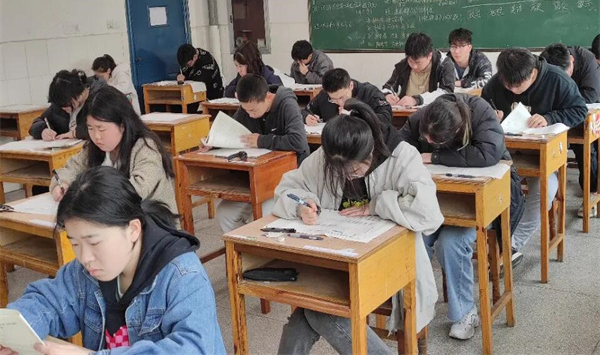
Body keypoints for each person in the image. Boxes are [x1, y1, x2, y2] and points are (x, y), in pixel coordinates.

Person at [273, 99, 444, 355]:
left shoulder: (401, 156)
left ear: (370, 152)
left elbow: (429, 213)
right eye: (338, 171)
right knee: (312, 306)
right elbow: (286, 189)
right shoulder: (327, 155)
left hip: (391, 264)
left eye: (353, 170)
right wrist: (301, 205)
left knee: (318, 310)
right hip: (339, 262)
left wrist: (377, 205)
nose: (346, 176)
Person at [2, 167, 225, 353]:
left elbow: (193, 348)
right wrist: (12, 330)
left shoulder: (182, 275)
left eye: (94, 242)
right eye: (75, 244)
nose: (85, 258)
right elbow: (47, 302)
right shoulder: (85, 272)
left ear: (133, 230)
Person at [398, 93, 525, 340]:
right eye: (425, 137)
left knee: (451, 242)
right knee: (413, 238)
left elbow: (488, 154)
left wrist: (435, 156)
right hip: (436, 198)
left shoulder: (480, 111)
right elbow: (398, 145)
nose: (426, 141)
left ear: (455, 131)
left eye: (434, 140)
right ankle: (417, 305)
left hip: (481, 198)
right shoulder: (428, 116)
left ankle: (465, 313)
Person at [482, 48, 587, 256]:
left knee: (545, 189)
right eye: (508, 86)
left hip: (543, 156)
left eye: (518, 86)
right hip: (506, 154)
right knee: (489, 187)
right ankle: (494, 236)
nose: (513, 90)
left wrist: (549, 118)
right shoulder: (496, 83)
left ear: (532, 73)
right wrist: (490, 116)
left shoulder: (558, 80)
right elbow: (481, 110)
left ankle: (511, 244)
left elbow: (580, 111)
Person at [203, 74, 309, 233]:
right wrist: (212, 143)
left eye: (253, 110)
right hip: (257, 176)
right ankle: (247, 245)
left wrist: (261, 140)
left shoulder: (287, 104)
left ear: (268, 97)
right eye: (246, 110)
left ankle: (265, 245)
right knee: (225, 215)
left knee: (267, 215)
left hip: (285, 178)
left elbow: (298, 141)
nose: (249, 115)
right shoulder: (248, 106)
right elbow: (231, 132)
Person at [50, 86, 178, 216]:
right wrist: (61, 184)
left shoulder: (146, 148)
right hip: (111, 220)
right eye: (90, 128)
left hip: (150, 222)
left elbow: (136, 191)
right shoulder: (96, 148)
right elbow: (71, 168)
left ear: (122, 125)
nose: (96, 136)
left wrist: (88, 195)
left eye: (101, 129)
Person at [541, 43, 600, 216]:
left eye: (565, 76)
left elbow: (590, 96)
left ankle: (591, 192)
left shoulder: (587, 60)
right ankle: (548, 193)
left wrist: (564, 103)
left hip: (587, 114)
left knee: (586, 149)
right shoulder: (545, 60)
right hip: (558, 115)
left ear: (572, 61)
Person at [382, 32, 454, 107]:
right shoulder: (403, 65)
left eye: (418, 62)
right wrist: (387, 95)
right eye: (410, 61)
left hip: (433, 111)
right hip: (405, 111)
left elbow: (446, 92)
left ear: (429, 56)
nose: (414, 66)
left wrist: (417, 100)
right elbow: (388, 87)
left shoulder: (443, 64)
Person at [301, 68, 392, 126]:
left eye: (342, 97)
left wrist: (355, 116)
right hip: (334, 144)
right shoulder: (324, 95)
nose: (340, 103)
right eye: (333, 100)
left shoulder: (369, 93)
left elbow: (386, 118)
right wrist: (306, 117)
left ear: (351, 86)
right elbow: (304, 111)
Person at [29, 69, 94, 141]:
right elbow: (37, 123)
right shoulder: (60, 104)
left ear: (80, 96)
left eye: (66, 106)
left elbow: (99, 127)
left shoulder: (96, 101)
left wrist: (75, 133)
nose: (63, 109)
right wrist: (42, 130)